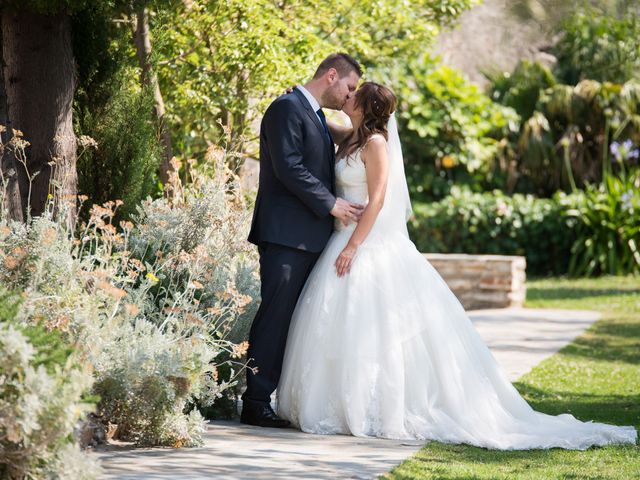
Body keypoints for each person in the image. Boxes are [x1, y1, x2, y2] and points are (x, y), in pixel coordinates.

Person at [276, 81, 637, 449]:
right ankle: (337, 403)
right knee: (334, 327)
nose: (347, 96)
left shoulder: (376, 145)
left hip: (365, 244)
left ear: (366, 108)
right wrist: (306, 103)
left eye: (354, 95)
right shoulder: (351, 138)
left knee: (375, 330)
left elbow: (379, 201)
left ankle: (376, 407)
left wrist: (353, 246)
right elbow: (322, 126)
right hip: (341, 237)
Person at [242, 53, 364, 428]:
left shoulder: (313, 114)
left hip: (309, 238)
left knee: (296, 322)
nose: (349, 96)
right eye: (349, 86)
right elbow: (288, 166)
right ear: (331, 76)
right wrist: (332, 204)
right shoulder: (285, 108)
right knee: (275, 318)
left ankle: (275, 396)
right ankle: (256, 401)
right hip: (286, 237)